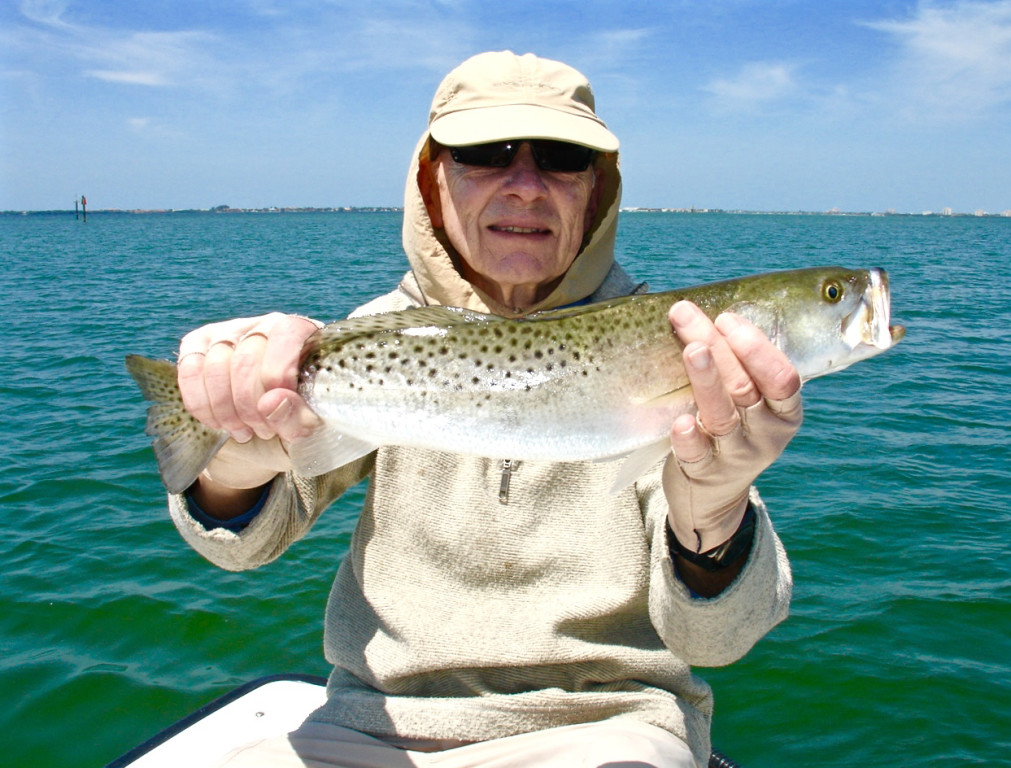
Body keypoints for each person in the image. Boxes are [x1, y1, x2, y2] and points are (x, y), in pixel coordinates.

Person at [169, 51, 801, 768]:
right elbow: (242, 545)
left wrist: (716, 513)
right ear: (432, 179)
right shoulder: (378, 332)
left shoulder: (677, 346)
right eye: (485, 154)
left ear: (597, 190)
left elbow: (719, 640)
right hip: (371, 723)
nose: (525, 186)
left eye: (563, 157)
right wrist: (238, 452)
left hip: (608, 725)